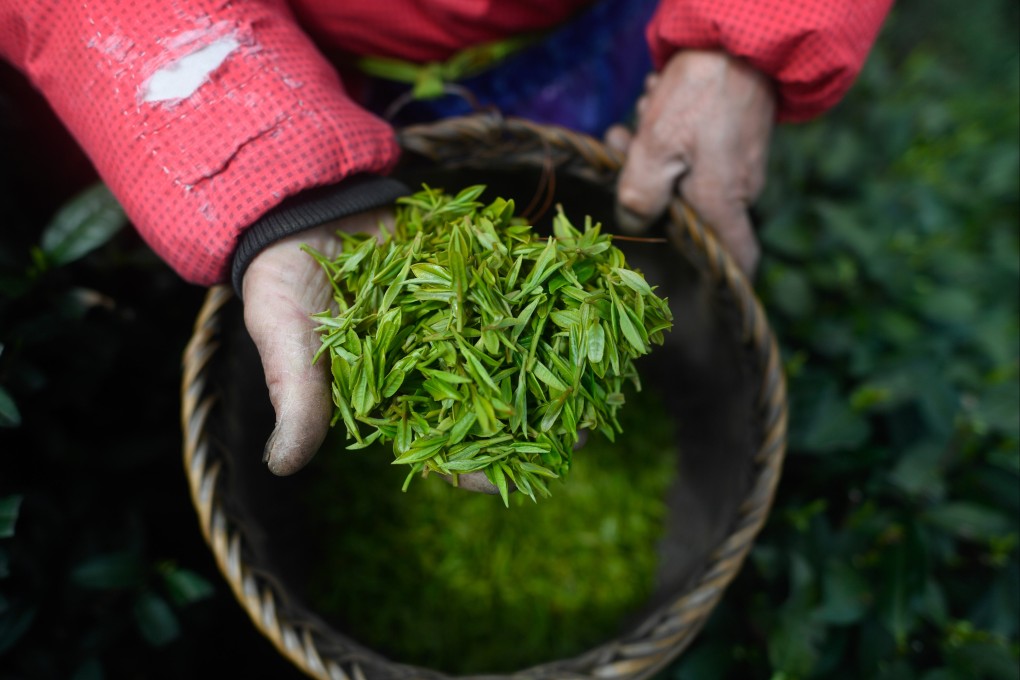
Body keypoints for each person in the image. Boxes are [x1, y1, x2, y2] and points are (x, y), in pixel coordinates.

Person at [0, 0, 892, 477]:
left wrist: (746, 37)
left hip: (587, 26)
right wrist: (261, 164)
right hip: (237, 50)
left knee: (562, 197)